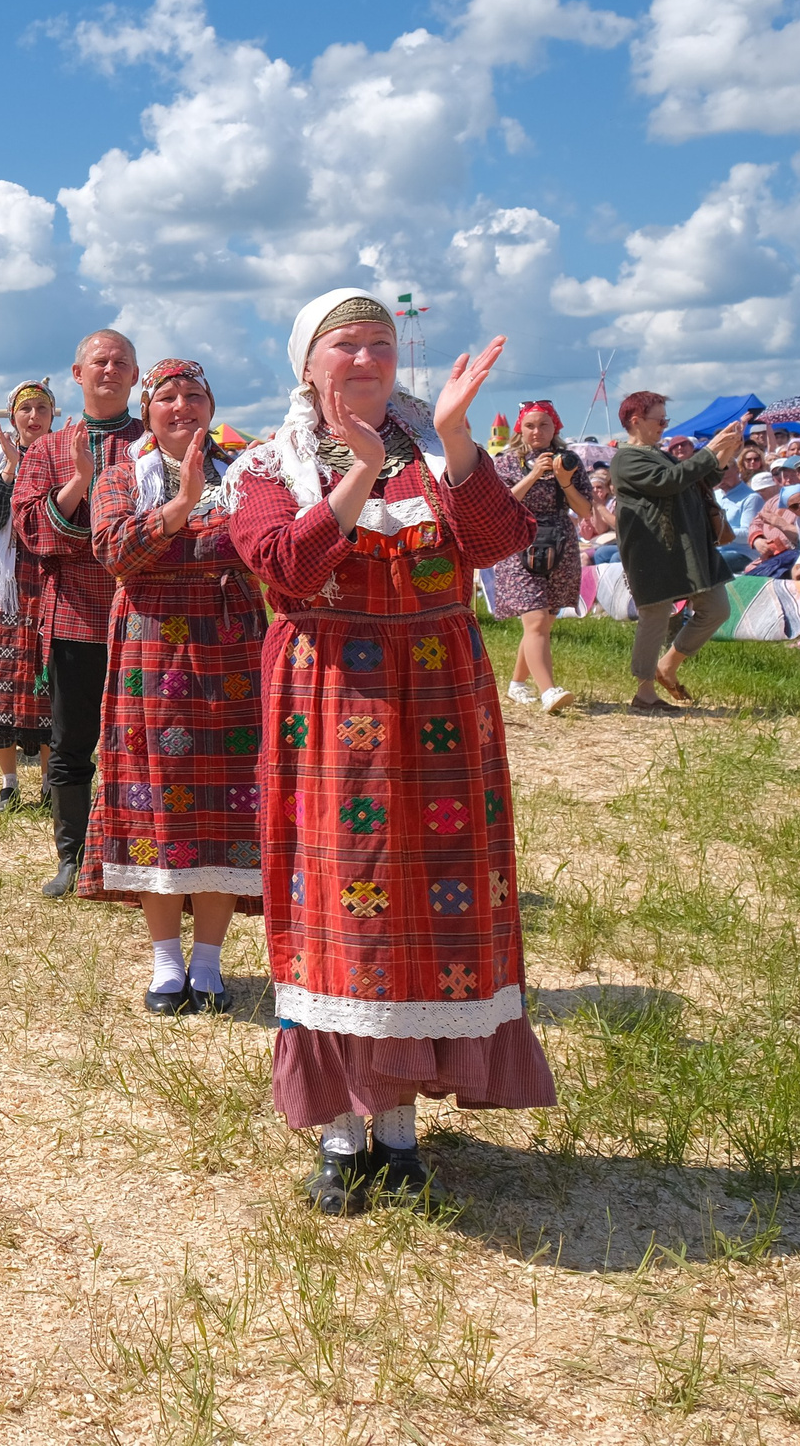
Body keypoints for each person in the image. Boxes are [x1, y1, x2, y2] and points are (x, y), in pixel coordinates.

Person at [226, 288, 550, 1214]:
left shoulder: (433, 454)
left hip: (441, 702)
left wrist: (453, 436)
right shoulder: (266, 467)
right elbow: (285, 566)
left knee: (430, 901)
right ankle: (339, 1133)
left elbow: (504, 542)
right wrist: (358, 476)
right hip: (331, 701)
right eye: (346, 345)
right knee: (338, 902)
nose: (367, 359)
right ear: (307, 365)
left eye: (381, 343)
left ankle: (400, 1132)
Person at [80, 358, 263, 1014]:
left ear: (210, 405)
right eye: (167, 397)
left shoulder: (246, 472)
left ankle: (209, 963)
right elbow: (113, 550)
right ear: (147, 408)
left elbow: (265, 546)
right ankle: (165, 963)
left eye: (193, 395)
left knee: (225, 798)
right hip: (152, 650)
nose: (181, 406)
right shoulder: (120, 474)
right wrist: (181, 508)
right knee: (154, 795)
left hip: (233, 645)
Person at [15, 332, 145, 898]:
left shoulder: (153, 441)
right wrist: (79, 482)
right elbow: (32, 531)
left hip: (146, 613)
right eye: (100, 361)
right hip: (74, 615)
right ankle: (71, 855)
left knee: (147, 740)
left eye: (121, 362)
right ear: (77, 372)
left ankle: (145, 855)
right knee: (72, 740)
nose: (110, 369)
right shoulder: (49, 448)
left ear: (136, 376)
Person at [609, 392, 742, 714]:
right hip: (653, 548)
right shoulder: (625, 459)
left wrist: (723, 452)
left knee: (717, 609)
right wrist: (710, 451)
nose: (665, 426)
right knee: (654, 616)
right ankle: (644, 692)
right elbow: (667, 482)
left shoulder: (657, 453)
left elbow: (696, 480)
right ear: (635, 421)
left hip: (686, 546)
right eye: (660, 420)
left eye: (666, 420)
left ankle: (667, 666)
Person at [0, 381, 56, 809]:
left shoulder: (67, 458)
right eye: (26, 409)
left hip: (52, 574)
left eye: (41, 408)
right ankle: (9, 781)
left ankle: (50, 782)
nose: (34, 416)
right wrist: (9, 473)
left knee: (47, 672)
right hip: (4, 580)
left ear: (53, 414)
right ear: (12, 415)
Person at [488, 401, 596, 714]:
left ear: (555, 428)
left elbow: (586, 511)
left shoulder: (569, 461)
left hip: (560, 543)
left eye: (544, 425)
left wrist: (564, 480)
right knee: (535, 620)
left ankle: (517, 684)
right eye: (531, 425)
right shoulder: (506, 463)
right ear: (520, 428)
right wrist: (535, 473)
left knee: (542, 625)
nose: (537, 432)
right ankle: (549, 691)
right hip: (519, 543)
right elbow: (500, 504)